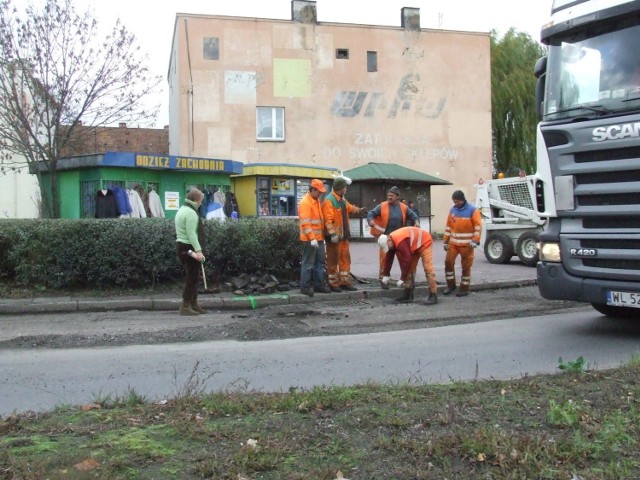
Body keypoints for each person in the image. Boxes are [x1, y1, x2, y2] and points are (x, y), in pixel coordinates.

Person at [366, 186, 420, 287]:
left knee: (404, 259)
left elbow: (414, 216)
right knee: (384, 260)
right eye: (388, 195)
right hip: (386, 238)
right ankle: (383, 280)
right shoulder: (382, 206)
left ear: (397, 196)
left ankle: (406, 280)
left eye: (392, 195)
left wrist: (416, 221)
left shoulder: (403, 207)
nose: (389, 197)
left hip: (400, 240)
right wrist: (370, 221)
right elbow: (371, 213)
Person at [322, 177, 368, 293]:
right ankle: (333, 283)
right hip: (334, 239)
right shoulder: (329, 200)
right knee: (333, 261)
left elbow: (349, 208)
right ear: (341, 188)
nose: (346, 189)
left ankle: (344, 282)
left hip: (343, 237)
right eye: (345, 187)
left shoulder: (341, 199)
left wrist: (359, 210)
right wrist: (332, 234)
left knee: (345, 260)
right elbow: (327, 220)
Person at [378, 226, 438, 305]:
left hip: (425, 242)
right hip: (415, 245)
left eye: (387, 246)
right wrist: (386, 274)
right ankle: (408, 294)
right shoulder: (391, 242)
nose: (388, 248)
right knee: (409, 269)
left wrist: (402, 279)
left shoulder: (399, 241)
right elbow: (388, 259)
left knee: (428, 268)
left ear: (389, 240)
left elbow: (407, 260)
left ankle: (433, 295)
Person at [443, 189, 483, 297]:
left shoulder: (473, 210)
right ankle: (450, 285)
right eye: (454, 201)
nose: (455, 203)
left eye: (457, 201)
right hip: (453, 243)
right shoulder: (453, 210)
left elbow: (478, 226)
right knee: (448, 262)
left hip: (467, 245)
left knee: (466, 267)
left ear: (462, 200)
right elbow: (448, 227)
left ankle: (464, 288)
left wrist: (475, 240)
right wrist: (445, 241)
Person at [175, 188, 207, 316]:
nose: (201, 204)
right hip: (189, 247)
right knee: (192, 277)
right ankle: (186, 305)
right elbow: (192, 234)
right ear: (196, 200)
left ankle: (193, 304)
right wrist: (198, 250)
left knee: (193, 275)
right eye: (201, 201)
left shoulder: (181, 210)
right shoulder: (192, 214)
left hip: (181, 247)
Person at [298, 179, 331, 296]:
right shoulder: (305, 203)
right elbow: (306, 223)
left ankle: (319, 285)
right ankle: (305, 287)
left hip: (319, 238)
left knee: (320, 263)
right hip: (310, 240)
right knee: (308, 264)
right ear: (312, 190)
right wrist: (312, 238)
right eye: (319, 192)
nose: (321, 194)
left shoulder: (315, 201)